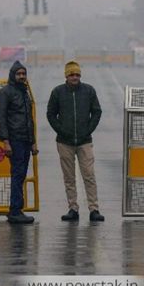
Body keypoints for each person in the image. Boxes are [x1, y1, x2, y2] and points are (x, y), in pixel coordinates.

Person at [46, 61, 104, 222]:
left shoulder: (89, 90)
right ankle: (73, 208)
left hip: (85, 141)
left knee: (89, 175)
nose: (74, 77)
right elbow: (50, 114)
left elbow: (97, 111)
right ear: (66, 76)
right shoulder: (57, 92)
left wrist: (88, 130)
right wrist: (61, 130)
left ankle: (94, 209)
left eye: (77, 74)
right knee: (69, 177)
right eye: (71, 74)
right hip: (64, 142)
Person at [0, 60, 38, 224]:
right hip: (15, 141)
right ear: (13, 75)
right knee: (17, 175)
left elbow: (29, 119)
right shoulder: (6, 92)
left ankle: (16, 209)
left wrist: (33, 142)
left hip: (25, 140)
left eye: (23, 74)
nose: (21, 76)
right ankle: (15, 211)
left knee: (20, 175)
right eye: (18, 74)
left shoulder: (24, 92)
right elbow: (1, 118)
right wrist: (6, 141)